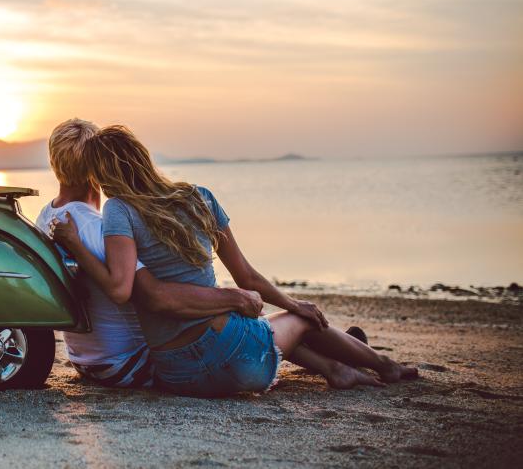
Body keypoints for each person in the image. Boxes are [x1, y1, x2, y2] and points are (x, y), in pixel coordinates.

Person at [51, 124, 418, 397]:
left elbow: (128, 287)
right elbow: (245, 276)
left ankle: (337, 369)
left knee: (266, 322)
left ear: (99, 173)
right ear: (142, 156)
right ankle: (384, 365)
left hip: (178, 375)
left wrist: (73, 243)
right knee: (299, 322)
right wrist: (293, 304)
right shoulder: (200, 198)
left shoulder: (118, 210)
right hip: (231, 356)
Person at [36, 119, 265, 389]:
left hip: (86, 359)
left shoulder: (47, 216)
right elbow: (153, 294)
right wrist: (234, 298)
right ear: (98, 167)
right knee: (252, 331)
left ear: (54, 163)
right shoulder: (96, 229)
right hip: (129, 362)